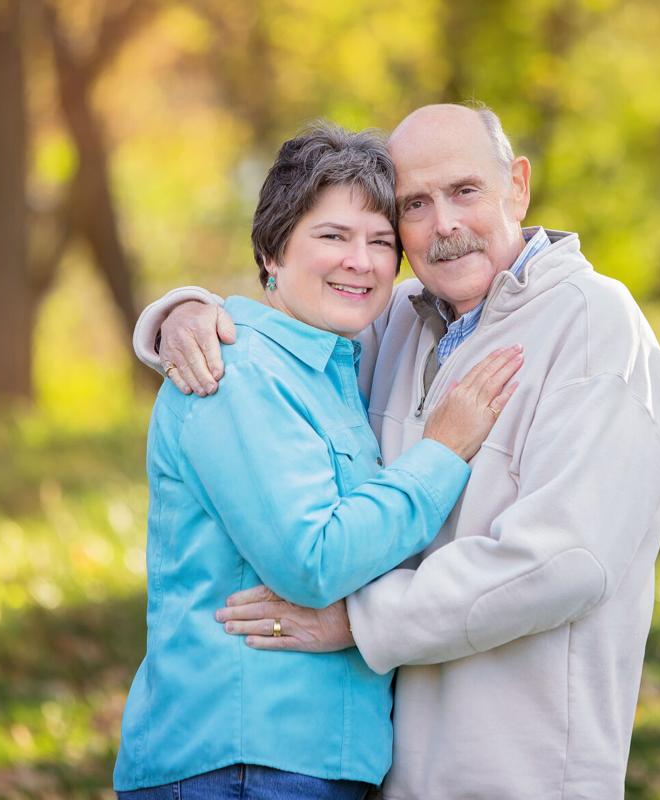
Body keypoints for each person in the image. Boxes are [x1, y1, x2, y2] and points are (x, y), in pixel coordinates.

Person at [134, 104, 660, 799]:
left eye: (464, 192)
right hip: (389, 768)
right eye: (415, 204)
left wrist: (359, 621)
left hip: (520, 768)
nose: (444, 224)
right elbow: (283, 340)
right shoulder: (399, 324)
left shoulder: (593, 324)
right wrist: (185, 312)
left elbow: (564, 560)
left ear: (516, 186)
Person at [114, 122, 522, 800]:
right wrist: (441, 453)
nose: (360, 262)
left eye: (381, 242)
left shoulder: (338, 373)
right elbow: (315, 560)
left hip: (303, 763)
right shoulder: (236, 372)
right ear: (272, 251)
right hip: (242, 763)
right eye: (332, 237)